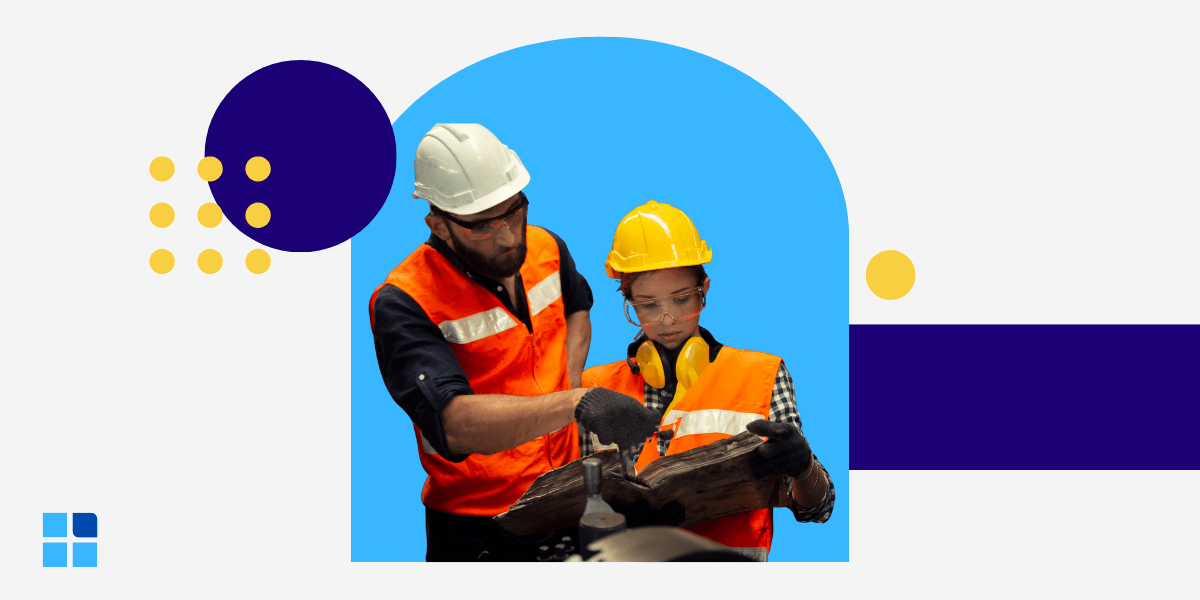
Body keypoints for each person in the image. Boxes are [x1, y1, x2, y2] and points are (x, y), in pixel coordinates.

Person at [369, 124, 660, 561]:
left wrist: (571, 379)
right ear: (439, 225)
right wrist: (574, 402)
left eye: (514, 212)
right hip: (477, 523)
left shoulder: (546, 247)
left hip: (565, 493)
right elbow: (453, 423)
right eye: (483, 226)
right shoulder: (405, 300)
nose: (507, 236)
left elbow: (578, 309)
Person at [580, 200, 836, 562]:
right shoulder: (593, 388)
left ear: (705, 289)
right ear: (629, 302)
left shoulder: (761, 375)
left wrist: (803, 465)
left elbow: (817, 508)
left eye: (682, 299)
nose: (667, 319)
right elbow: (571, 509)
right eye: (648, 306)